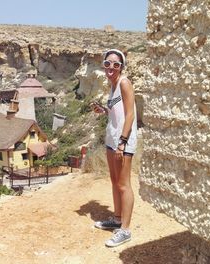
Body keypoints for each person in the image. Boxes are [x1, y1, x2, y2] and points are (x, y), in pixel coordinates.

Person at [90, 49, 140, 247]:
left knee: (123, 184)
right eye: (108, 63)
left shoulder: (124, 83)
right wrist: (104, 110)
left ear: (121, 67)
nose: (111, 67)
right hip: (111, 139)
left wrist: (122, 141)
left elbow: (130, 115)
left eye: (116, 64)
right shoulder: (112, 87)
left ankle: (125, 230)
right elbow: (116, 113)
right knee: (114, 181)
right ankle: (117, 219)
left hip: (122, 142)